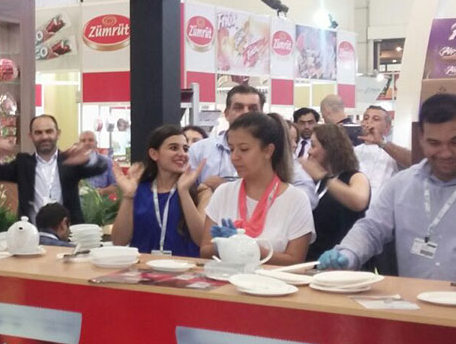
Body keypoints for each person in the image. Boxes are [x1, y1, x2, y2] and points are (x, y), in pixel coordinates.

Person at [318, 94, 456, 281]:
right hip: (413, 297)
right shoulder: (402, 184)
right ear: (421, 138)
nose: (445, 153)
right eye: (434, 143)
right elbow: (371, 229)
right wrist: (348, 254)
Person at [200, 113, 315, 265]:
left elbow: (295, 260)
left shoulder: (296, 199)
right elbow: (204, 250)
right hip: (226, 279)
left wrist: (250, 248)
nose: (234, 157)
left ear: (268, 151)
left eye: (244, 149)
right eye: (231, 149)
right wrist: (222, 246)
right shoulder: (224, 192)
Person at [189, 85, 318, 210]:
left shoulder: (274, 150)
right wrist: (203, 191)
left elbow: (308, 197)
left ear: (262, 114)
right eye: (238, 108)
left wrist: (231, 190)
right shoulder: (200, 150)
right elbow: (186, 195)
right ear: (227, 113)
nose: (246, 113)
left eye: (253, 108)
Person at [0, 114, 106, 224]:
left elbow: (101, 167)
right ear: (31, 136)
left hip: (69, 234)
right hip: (31, 235)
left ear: (58, 134)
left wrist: (88, 157)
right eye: (38, 133)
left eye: (49, 131)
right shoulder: (23, 164)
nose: (44, 136)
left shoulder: (70, 161)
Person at [110, 125, 206, 258]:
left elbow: (202, 240)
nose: (182, 154)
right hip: (143, 268)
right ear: (154, 154)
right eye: (173, 148)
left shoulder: (201, 192)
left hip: (185, 268)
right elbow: (119, 241)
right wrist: (128, 195)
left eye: (185, 149)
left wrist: (184, 192)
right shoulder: (138, 190)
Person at [298, 125, 370, 261]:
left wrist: (323, 177)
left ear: (329, 148)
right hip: (312, 259)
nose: (309, 152)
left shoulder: (355, 177)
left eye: (313, 146)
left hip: (341, 260)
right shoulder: (316, 183)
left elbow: (359, 202)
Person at [354, 105, 411, 199]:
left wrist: (381, 142)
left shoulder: (393, 152)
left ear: (387, 127)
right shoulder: (353, 151)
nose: (369, 121)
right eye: (366, 118)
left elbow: (414, 161)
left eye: (375, 119)